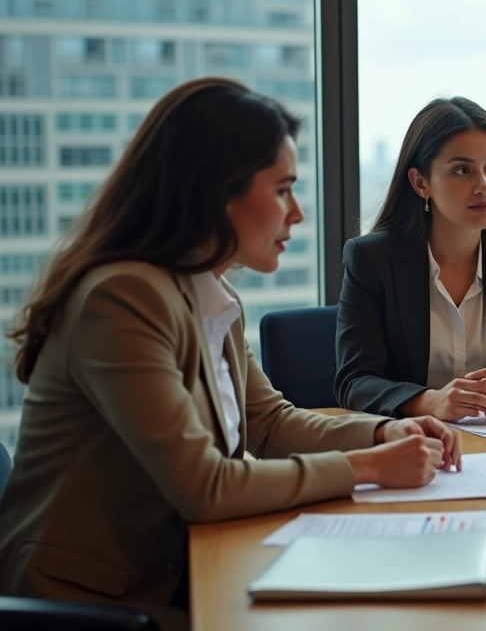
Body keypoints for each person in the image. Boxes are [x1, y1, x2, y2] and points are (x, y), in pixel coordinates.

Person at [0, 78, 462, 629]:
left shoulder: (209, 294)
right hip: (90, 605)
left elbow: (268, 423)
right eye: (283, 189)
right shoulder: (122, 297)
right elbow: (204, 486)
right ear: (216, 191)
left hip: (178, 573)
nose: (297, 214)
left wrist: (383, 433)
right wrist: (368, 467)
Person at [335, 97, 486, 421]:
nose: (484, 186)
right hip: (412, 444)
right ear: (421, 183)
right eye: (462, 170)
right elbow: (354, 382)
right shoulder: (372, 260)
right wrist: (432, 402)